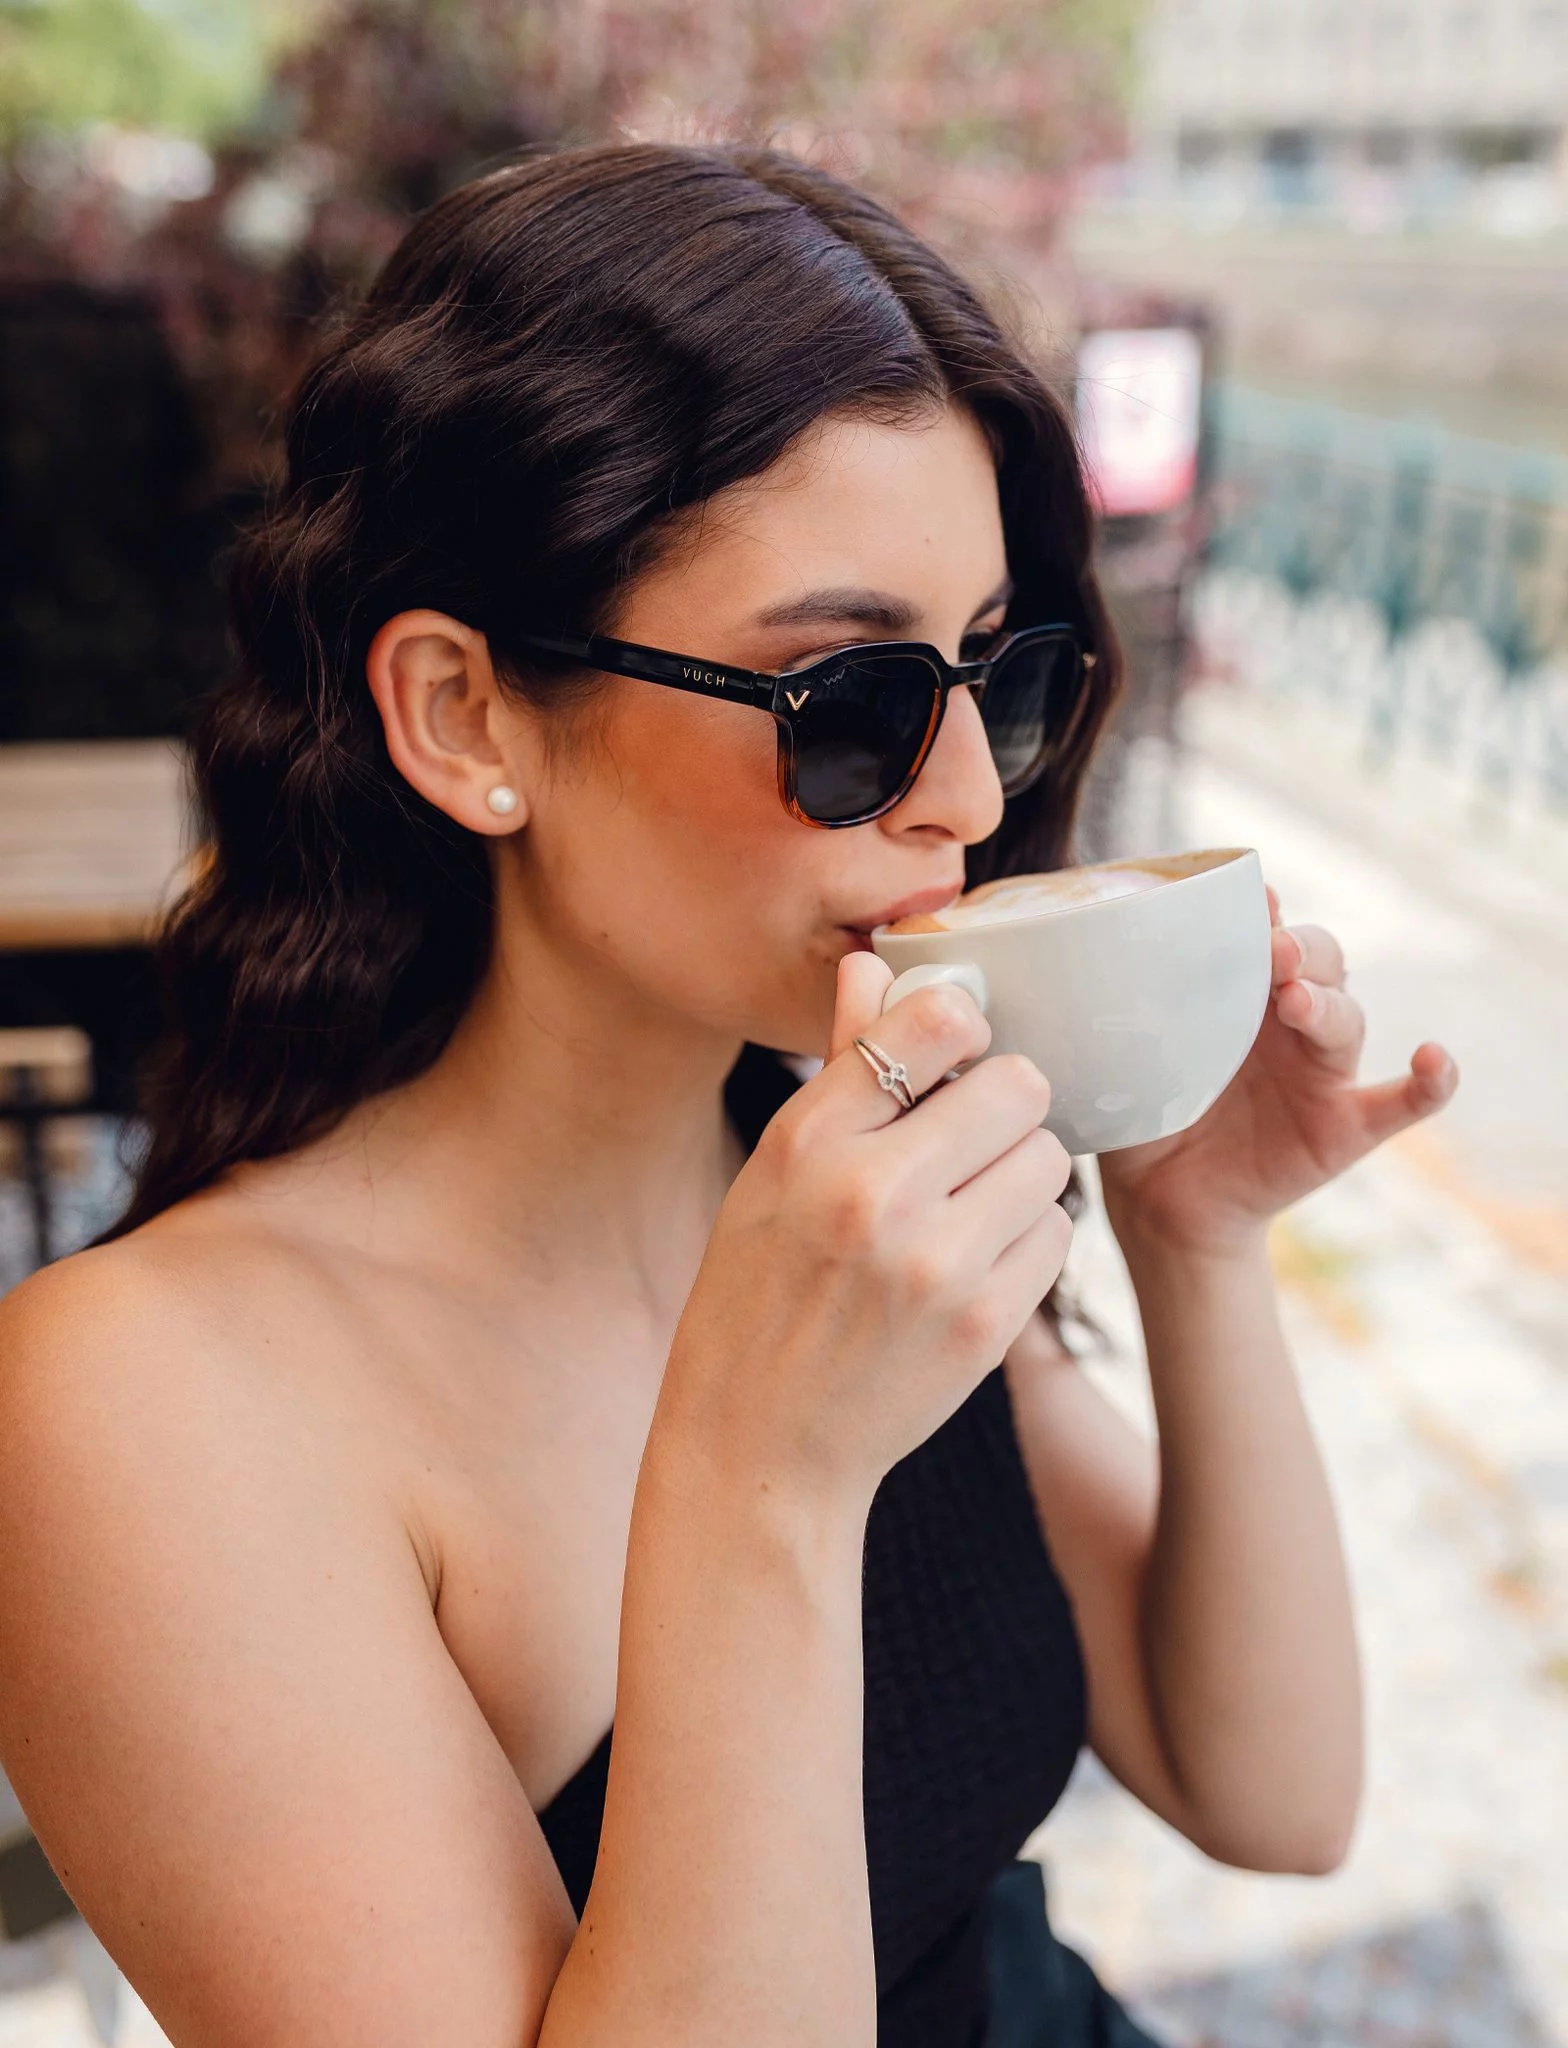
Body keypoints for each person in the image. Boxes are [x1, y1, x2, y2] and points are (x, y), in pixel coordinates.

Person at [0, 144, 1458, 2048]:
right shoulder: (143, 1410)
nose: (968, 795)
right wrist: (767, 1482)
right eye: (848, 699)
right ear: (464, 714)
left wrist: (1200, 1239)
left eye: (992, 673)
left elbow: (1271, 1792)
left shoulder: (824, 1171)